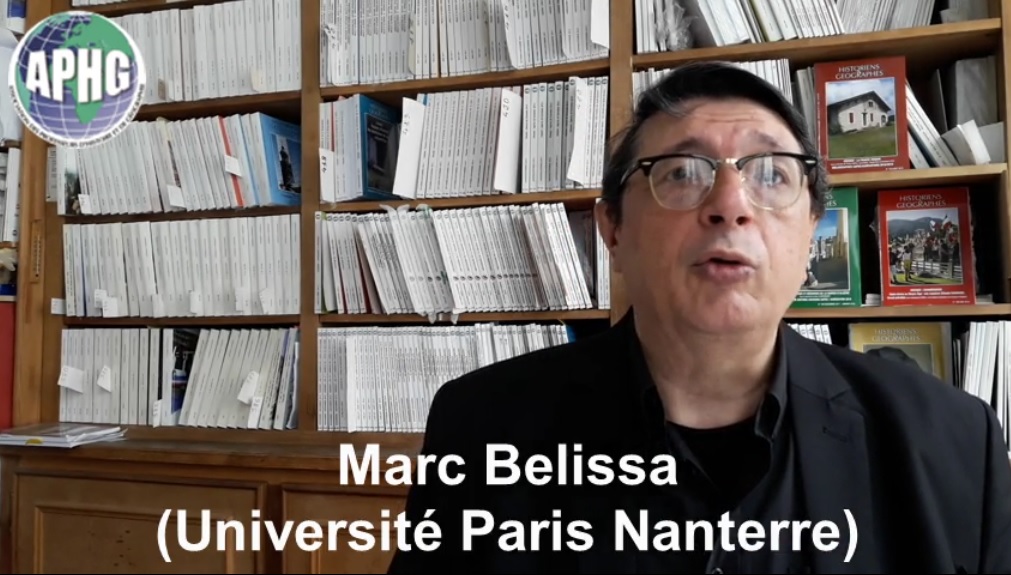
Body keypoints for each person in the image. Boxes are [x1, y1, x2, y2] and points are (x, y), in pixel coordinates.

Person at [386, 61, 1011, 574]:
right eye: (682, 173)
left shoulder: (954, 443)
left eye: (772, 174)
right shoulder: (482, 427)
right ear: (613, 230)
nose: (730, 204)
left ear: (811, 235)